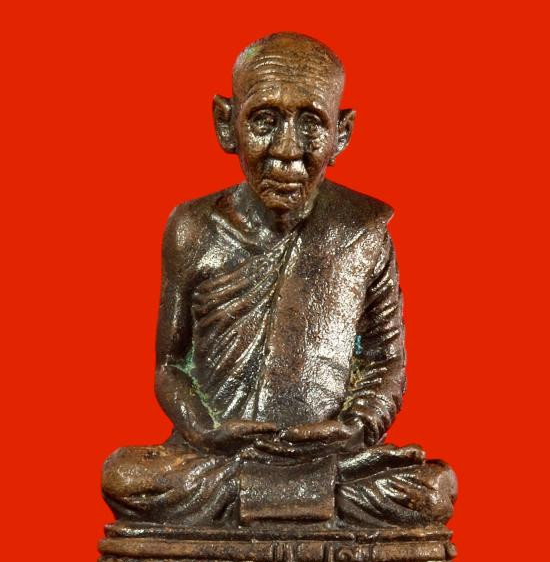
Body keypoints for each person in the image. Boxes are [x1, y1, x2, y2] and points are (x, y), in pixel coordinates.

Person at [102, 32, 456, 527]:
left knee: (432, 491)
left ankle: (263, 502)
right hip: (221, 458)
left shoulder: (363, 230)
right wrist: (204, 432)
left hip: (326, 458)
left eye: (311, 124)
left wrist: (355, 428)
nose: (287, 151)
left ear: (342, 133)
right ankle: (299, 504)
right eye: (264, 121)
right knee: (125, 477)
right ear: (226, 124)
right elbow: (169, 364)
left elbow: (385, 360)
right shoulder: (192, 228)